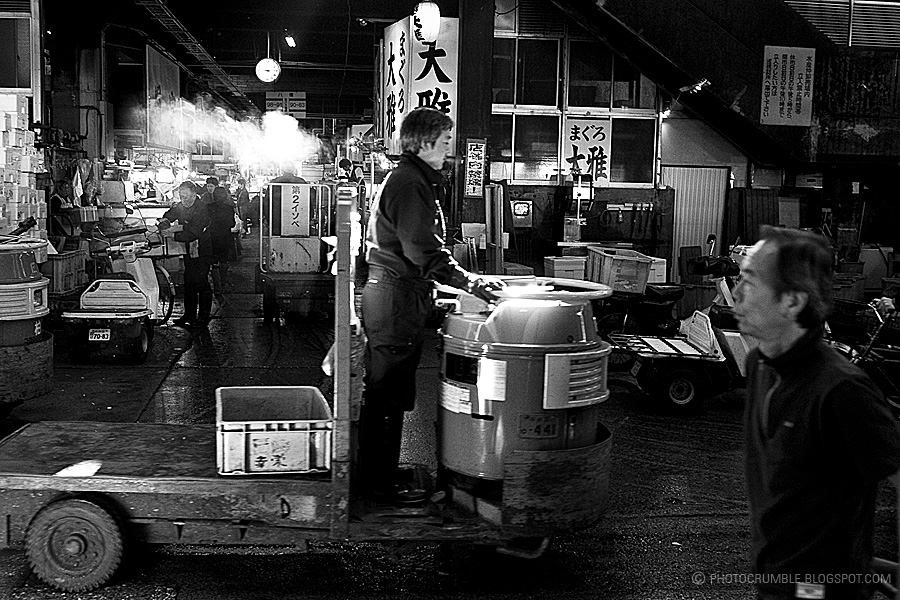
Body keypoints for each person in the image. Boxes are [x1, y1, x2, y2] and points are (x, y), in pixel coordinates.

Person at [733, 225, 900, 600]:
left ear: (791, 302)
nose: (736, 295)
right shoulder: (759, 362)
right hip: (773, 581)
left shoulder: (841, 390)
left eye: (750, 281)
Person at [360, 107, 505, 505]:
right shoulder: (411, 183)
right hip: (395, 300)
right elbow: (422, 249)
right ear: (423, 143)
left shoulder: (410, 179)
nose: (448, 150)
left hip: (395, 296)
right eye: (443, 142)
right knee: (386, 396)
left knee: (387, 393)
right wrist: (469, 281)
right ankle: (379, 486)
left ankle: (380, 478)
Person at [157, 181, 213, 329]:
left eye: (187, 197)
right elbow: (171, 213)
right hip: (189, 251)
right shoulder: (181, 205)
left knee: (201, 281)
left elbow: (193, 232)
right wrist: (165, 220)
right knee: (189, 281)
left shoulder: (202, 209)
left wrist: (172, 235)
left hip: (202, 249)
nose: (184, 200)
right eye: (181, 197)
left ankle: (204, 316)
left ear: (194, 195)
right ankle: (189, 315)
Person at [206, 186, 238, 306]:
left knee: (214, 263)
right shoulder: (229, 208)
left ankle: (217, 288)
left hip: (212, 238)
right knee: (223, 261)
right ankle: (222, 284)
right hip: (225, 237)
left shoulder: (208, 207)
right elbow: (232, 224)